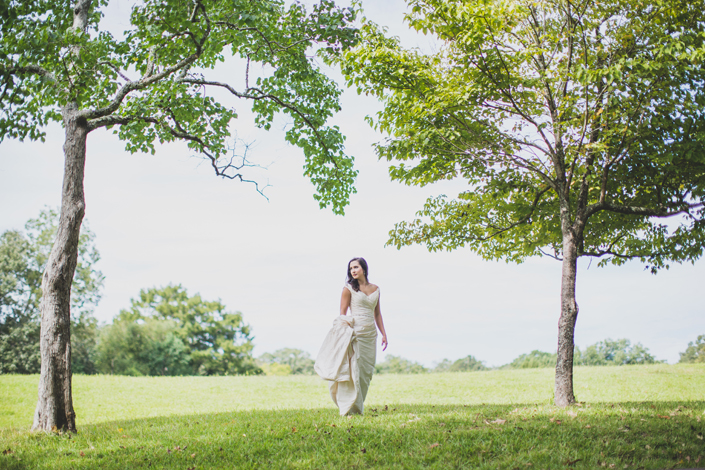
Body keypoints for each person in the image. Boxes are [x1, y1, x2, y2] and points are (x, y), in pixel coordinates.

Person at [314, 257, 388, 416]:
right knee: (354, 370)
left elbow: (377, 313)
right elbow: (342, 314)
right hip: (356, 334)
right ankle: (349, 408)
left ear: (364, 268)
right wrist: (343, 335)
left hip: (370, 334)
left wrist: (383, 334)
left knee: (366, 373)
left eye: (356, 267)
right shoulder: (348, 289)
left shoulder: (376, 289)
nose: (353, 271)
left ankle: (358, 405)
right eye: (351, 269)